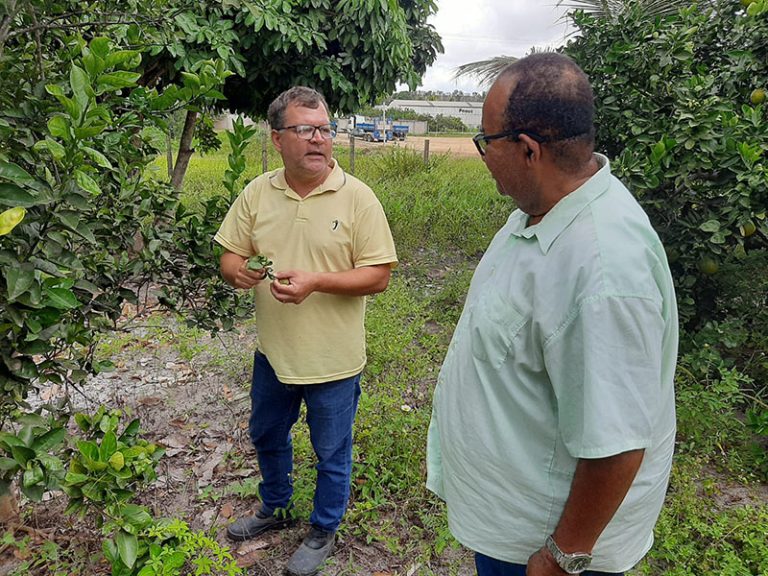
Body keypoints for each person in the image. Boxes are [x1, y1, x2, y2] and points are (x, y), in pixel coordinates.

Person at [426, 53, 678, 576]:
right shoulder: (542, 210)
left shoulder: (604, 273)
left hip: (542, 549)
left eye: (485, 141)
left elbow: (618, 443)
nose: (482, 154)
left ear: (527, 149)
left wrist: (562, 557)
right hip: (511, 521)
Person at [214, 86, 397, 576]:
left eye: (324, 129)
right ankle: (274, 507)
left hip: (333, 360)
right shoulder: (258, 192)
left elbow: (378, 274)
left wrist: (317, 282)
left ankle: (323, 527)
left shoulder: (358, 198)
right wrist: (238, 272)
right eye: (305, 130)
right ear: (277, 138)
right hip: (273, 354)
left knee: (331, 450)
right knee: (267, 434)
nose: (318, 139)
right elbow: (229, 254)